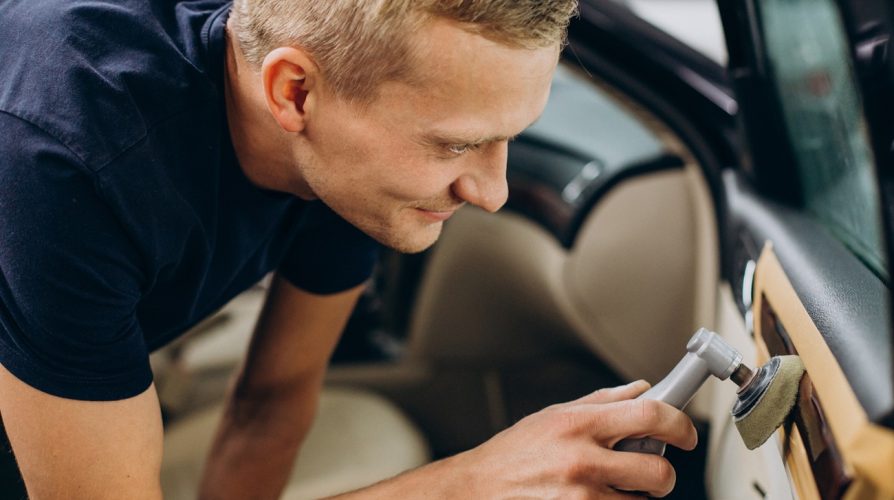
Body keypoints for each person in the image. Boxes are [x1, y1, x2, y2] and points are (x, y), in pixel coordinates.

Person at [0, 0, 697, 498]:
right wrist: (476, 481)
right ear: (294, 92)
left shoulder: (341, 156)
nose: (493, 193)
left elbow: (271, 406)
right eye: (455, 144)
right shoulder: (68, 160)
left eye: (507, 137)